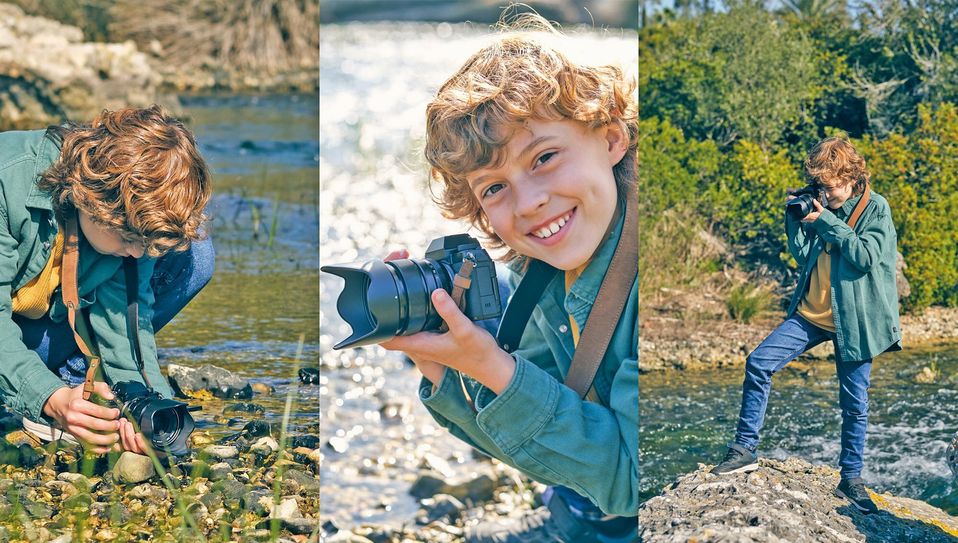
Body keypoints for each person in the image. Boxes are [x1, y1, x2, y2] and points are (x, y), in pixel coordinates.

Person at [378, 16, 638, 543]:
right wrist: (445, 368)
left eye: (544, 157)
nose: (529, 202)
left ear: (611, 138)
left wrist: (494, 368)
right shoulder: (539, 278)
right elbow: (549, 449)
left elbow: (633, 480)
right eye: (493, 188)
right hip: (583, 519)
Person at [0, 105, 213, 455]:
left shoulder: (122, 228)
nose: (137, 254)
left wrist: (143, 401)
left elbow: (125, 317)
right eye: (129, 240)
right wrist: (46, 396)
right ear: (93, 201)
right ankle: (45, 393)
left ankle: (79, 391)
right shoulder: (7, 183)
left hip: (41, 326)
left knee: (194, 255)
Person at [711, 137, 901, 516]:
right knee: (759, 363)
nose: (826, 194)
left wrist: (827, 220)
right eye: (822, 187)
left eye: (832, 187)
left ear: (851, 177)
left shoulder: (875, 208)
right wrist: (795, 219)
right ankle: (745, 449)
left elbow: (865, 256)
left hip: (856, 321)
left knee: (855, 404)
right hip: (812, 314)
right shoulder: (821, 204)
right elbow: (802, 255)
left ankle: (851, 478)